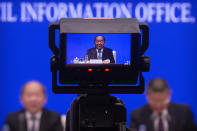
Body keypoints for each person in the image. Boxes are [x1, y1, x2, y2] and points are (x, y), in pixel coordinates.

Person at [129, 78, 197, 131]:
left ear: (169, 94)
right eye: (154, 101)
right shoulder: (137, 115)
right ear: (147, 95)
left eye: (162, 101)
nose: (158, 105)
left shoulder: (184, 112)